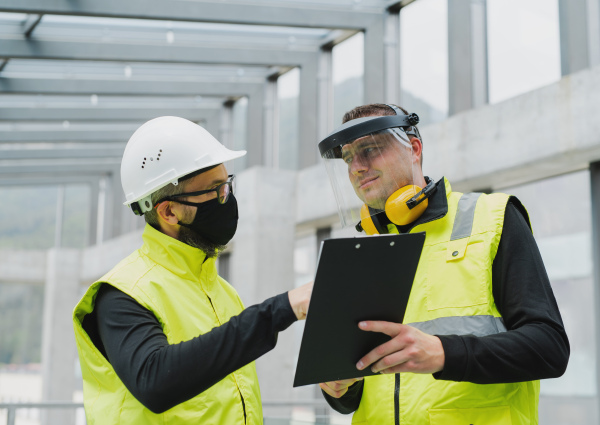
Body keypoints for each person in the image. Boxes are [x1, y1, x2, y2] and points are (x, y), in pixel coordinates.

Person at [317, 104, 569, 424]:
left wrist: (443, 354)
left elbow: (549, 349)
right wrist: (339, 387)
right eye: (349, 157)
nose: (357, 167)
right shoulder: (360, 253)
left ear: (414, 149)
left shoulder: (491, 217)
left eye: (370, 149)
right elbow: (353, 395)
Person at [72, 116, 312, 424]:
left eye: (227, 185)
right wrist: (279, 310)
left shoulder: (224, 293)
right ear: (169, 211)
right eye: (216, 190)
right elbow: (155, 380)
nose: (227, 199)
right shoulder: (122, 293)